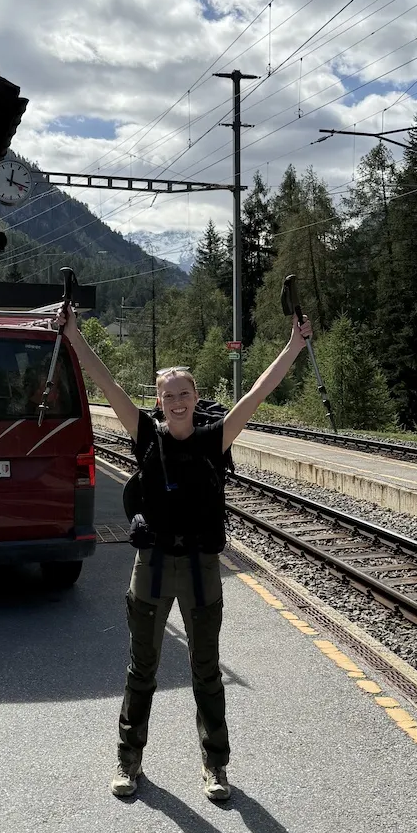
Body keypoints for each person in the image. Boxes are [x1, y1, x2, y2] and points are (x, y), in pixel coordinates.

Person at [60, 309, 311, 802]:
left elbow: (256, 394)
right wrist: (73, 335)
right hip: (152, 567)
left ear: (196, 398)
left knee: (206, 672)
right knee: (141, 671)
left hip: (200, 570)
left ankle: (215, 766)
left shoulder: (214, 439)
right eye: (168, 395)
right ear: (158, 402)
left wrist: (293, 348)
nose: (176, 402)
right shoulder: (145, 435)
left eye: (184, 394)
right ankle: (128, 761)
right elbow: (106, 382)